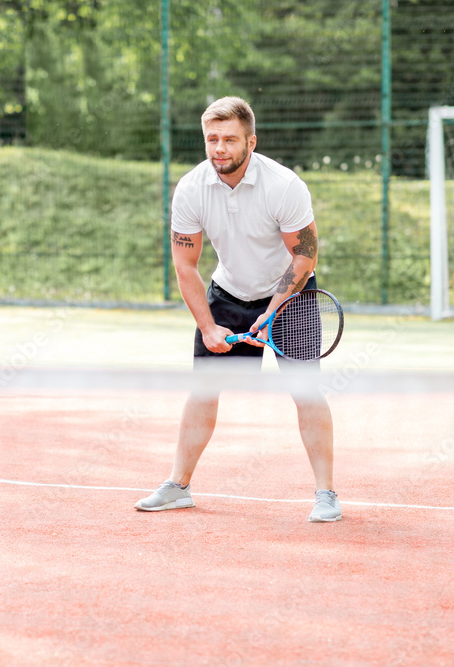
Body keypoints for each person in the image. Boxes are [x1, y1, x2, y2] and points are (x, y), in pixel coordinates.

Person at [134, 96, 340, 522]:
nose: (219, 148)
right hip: (228, 292)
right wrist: (208, 327)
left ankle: (326, 495)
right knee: (204, 390)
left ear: (251, 141)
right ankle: (179, 486)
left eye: (230, 139)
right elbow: (185, 266)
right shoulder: (191, 188)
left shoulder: (284, 185)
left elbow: (305, 256)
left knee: (305, 390)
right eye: (212, 139)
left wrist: (274, 309)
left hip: (292, 295)